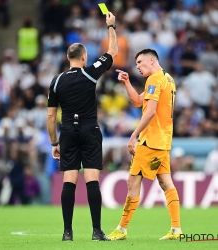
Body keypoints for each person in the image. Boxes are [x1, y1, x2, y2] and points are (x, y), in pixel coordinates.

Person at [47, 12, 118, 241]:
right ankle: (96, 231)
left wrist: (54, 143)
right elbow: (112, 52)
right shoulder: (90, 72)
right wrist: (111, 26)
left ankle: (67, 233)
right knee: (92, 181)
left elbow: (50, 117)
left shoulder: (57, 81)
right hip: (89, 130)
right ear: (84, 57)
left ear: (69, 57)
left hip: (67, 132)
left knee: (69, 181)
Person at [107, 49, 183, 241]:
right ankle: (176, 230)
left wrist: (133, 135)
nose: (138, 67)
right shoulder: (168, 79)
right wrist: (126, 82)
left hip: (150, 141)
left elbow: (149, 112)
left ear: (152, 60)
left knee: (133, 182)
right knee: (166, 183)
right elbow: (138, 102)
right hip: (163, 140)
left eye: (140, 62)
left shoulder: (154, 80)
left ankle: (121, 229)